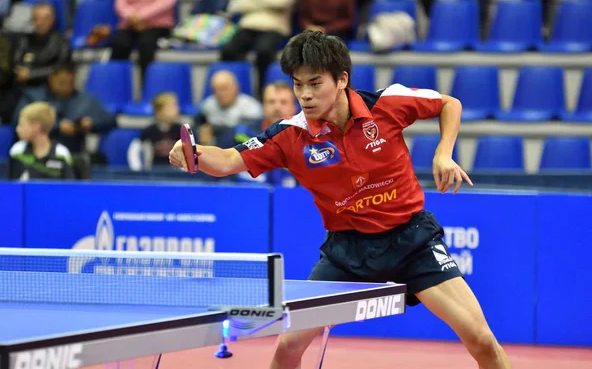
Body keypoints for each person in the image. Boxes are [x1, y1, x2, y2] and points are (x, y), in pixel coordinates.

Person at [168, 31, 512, 369]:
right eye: (298, 84)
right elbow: (228, 159)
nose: (305, 95)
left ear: (342, 79)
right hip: (347, 252)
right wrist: (194, 153)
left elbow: (449, 103)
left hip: (412, 241)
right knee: (288, 347)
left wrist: (444, 153)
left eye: (315, 83)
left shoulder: (387, 103)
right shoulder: (290, 135)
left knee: (481, 340)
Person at [8, 101, 75, 181]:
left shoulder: (61, 153)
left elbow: (69, 189)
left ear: (36, 127)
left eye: (21, 125)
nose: (17, 129)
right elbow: (11, 187)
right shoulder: (17, 151)